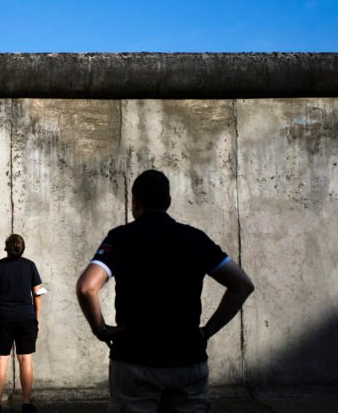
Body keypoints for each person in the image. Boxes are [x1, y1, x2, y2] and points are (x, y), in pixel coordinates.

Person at [76, 169, 255, 413]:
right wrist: (207, 331)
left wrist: (101, 329)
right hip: (187, 357)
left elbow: (87, 287)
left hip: (134, 358)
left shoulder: (120, 238)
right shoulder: (195, 239)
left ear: (135, 201)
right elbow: (242, 285)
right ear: (168, 202)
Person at [0, 234, 44, 413]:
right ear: (22, 247)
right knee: (25, 358)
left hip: (2, 317)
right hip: (26, 317)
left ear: (6, 248)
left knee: (1, 358)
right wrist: (37, 318)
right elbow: (38, 293)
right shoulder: (30, 265)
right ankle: (26, 403)